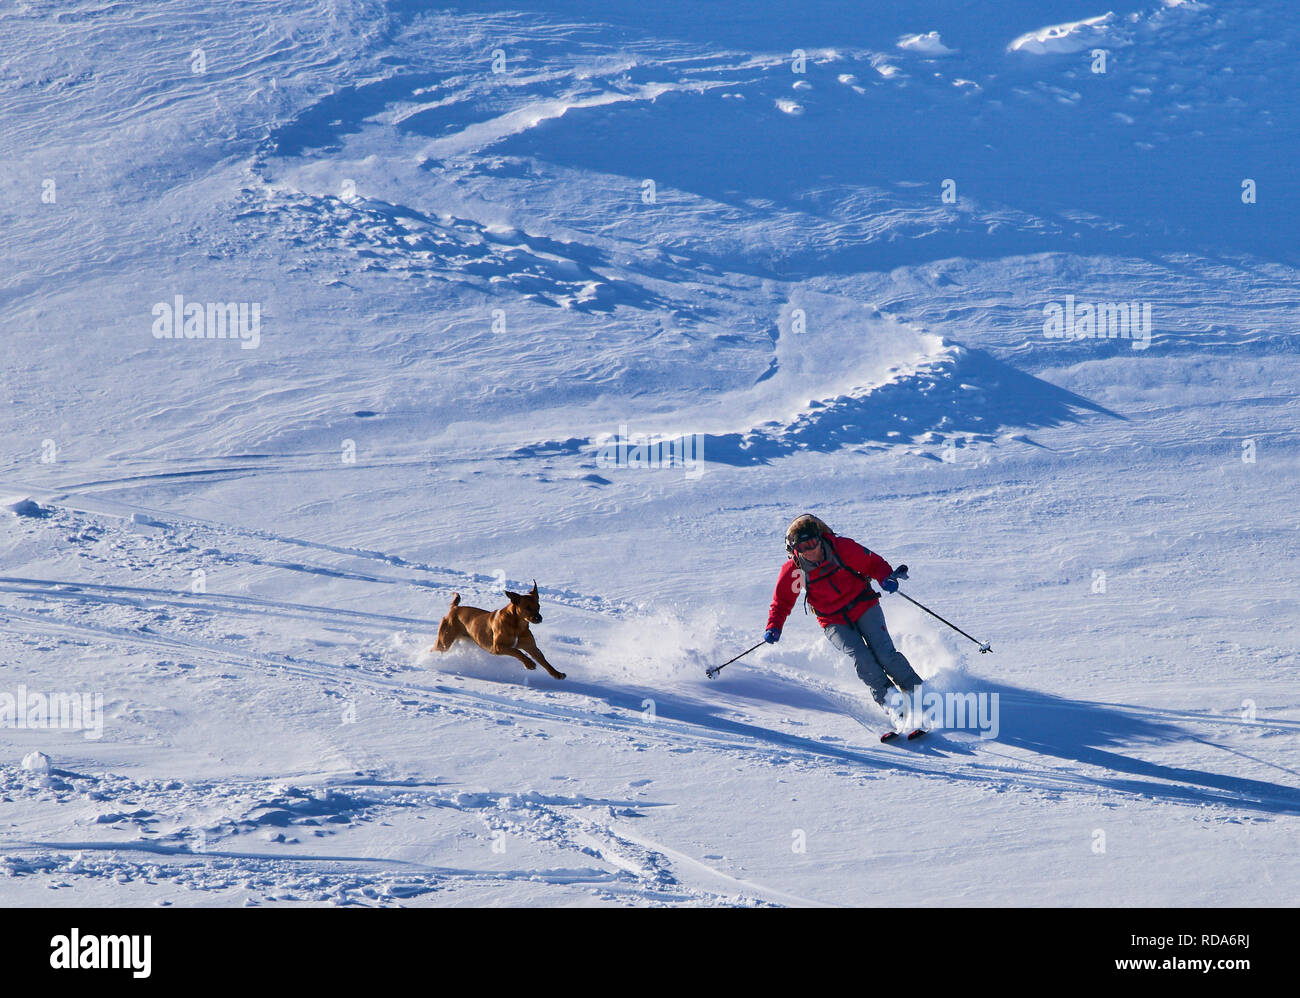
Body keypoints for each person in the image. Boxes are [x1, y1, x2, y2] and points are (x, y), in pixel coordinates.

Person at [765, 513, 921, 718]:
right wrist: (773, 627)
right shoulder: (795, 571)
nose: (810, 550)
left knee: (885, 654)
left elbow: (873, 564)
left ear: (820, 538)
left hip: (864, 605)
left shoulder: (842, 549)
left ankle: (919, 695)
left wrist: (885, 578)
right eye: (802, 547)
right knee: (862, 658)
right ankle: (893, 704)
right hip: (833, 620)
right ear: (795, 550)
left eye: (812, 543)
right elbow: (782, 602)